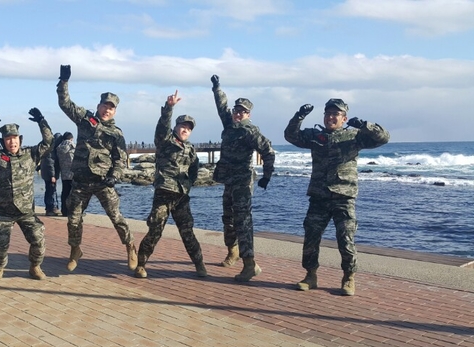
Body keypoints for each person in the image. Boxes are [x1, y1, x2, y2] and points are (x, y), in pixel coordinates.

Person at [284, 99, 390, 296]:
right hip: (319, 196)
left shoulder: (354, 136)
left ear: (344, 118)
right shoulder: (315, 136)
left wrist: (365, 126)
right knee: (311, 238)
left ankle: (348, 277)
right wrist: (299, 115)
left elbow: (383, 138)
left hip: (343, 196)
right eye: (328, 114)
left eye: (336, 114)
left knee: (345, 239)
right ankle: (310, 276)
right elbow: (291, 135)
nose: (331, 117)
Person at [56, 64, 137, 272]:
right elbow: (65, 104)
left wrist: (115, 176)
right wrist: (64, 83)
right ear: (99, 105)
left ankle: (130, 247)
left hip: (103, 182)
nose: (107, 110)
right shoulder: (85, 120)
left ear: (115, 111)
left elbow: (121, 158)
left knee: (116, 218)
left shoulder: (116, 134)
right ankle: (75, 250)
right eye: (104, 105)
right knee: (73, 220)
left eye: (111, 107)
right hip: (81, 181)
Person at [0, 108, 53, 283]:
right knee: (0, 241)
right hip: (4, 211)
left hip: (26, 211)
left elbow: (49, 141)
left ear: (20, 140)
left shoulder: (31, 155)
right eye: (8, 139)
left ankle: (35, 266)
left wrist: (41, 121)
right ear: (3, 141)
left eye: (14, 139)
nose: (12, 142)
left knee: (38, 239)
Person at [210, 75, 275, 282]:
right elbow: (221, 106)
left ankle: (250, 264)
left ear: (249, 114)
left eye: (242, 111)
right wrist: (217, 88)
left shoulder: (250, 132)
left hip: (243, 183)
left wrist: (266, 176)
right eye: (236, 110)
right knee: (227, 219)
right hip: (229, 181)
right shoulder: (229, 125)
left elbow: (268, 152)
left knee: (243, 222)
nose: (238, 114)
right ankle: (233, 251)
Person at [135, 91, 206, 278]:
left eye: (189, 128)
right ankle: (141, 264)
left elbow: (194, 168)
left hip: (182, 196)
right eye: (183, 126)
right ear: (176, 127)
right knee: (155, 230)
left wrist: (190, 183)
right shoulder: (165, 140)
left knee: (187, 232)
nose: (185, 130)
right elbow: (162, 126)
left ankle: (199, 263)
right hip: (164, 193)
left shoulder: (190, 149)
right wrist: (169, 107)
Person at [40, 132, 62, 216]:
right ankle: (52, 208)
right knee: (51, 191)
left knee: (49, 190)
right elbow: (50, 163)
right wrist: (52, 175)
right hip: (50, 175)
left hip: (46, 174)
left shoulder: (49, 148)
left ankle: (49, 208)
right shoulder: (52, 150)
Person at [55, 132, 75, 217]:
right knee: (73, 193)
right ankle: (72, 211)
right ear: (71, 138)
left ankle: (64, 211)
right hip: (73, 173)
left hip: (64, 173)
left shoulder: (59, 147)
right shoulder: (72, 145)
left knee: (65, 193)